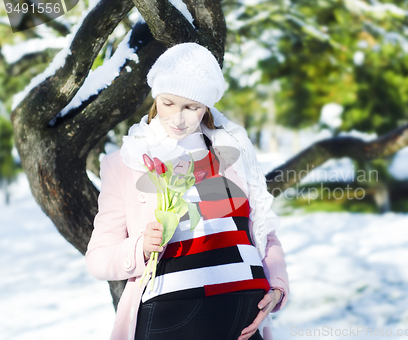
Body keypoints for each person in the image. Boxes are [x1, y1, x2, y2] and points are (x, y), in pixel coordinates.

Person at [85, 42, 289, 340]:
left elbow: (263, 234)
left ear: (206, 106)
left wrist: (277, 288)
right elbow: (98, 258)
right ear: (156, 97)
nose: (177, 119)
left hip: (244, 318)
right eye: (168, 103)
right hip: (174, 316)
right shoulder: (125, 163)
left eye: (191, 107)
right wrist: (140, 247)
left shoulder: (233, 153)